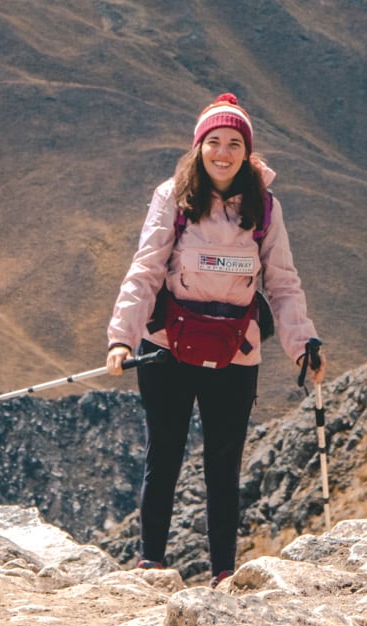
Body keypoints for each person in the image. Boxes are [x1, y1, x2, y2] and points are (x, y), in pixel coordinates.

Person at [106, 92, 325, 585]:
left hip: (237, 351)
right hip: (164, 348)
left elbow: (283, 283)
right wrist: (122, 337)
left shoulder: (266, 208)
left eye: (233, 143)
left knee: (223, 465)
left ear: (247, 152)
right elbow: (145, 271)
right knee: (164, 454)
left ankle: (224, 574)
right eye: (213, 142)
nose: (222, 152)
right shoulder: (172, 198)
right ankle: (151, 566)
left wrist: (302, 344)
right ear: (198, 146)